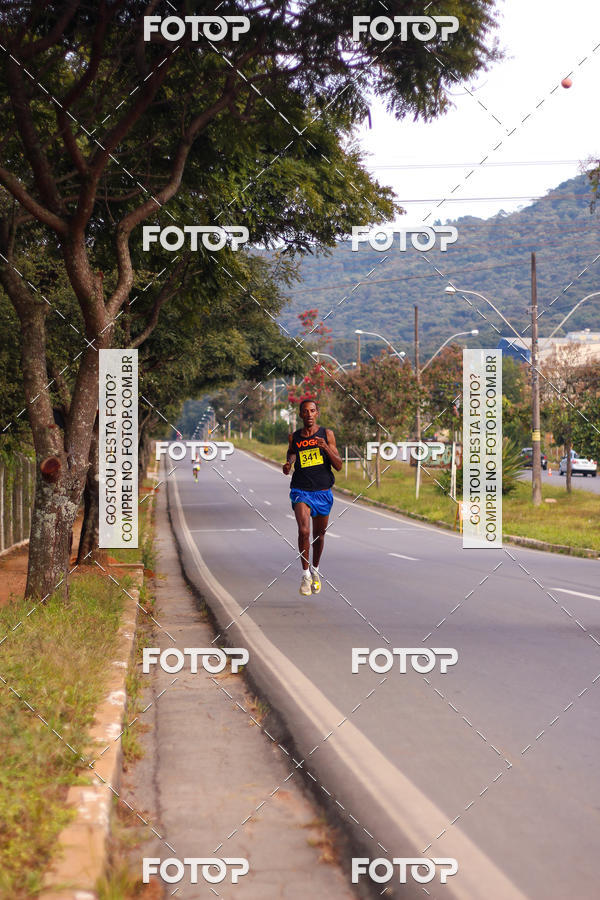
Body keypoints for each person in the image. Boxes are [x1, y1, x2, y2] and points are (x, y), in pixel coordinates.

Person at [282, 399, 342, 595]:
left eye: (312, 411)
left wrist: (325, 447)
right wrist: (289, 463)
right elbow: (292, 452)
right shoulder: (294, 437)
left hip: (323, 491)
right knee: (304, 531)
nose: (309, 414)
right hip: (301, 490)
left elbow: (339, 465)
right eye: (305, 411)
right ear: (300, 414)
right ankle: (305, 575)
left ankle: (315, 570)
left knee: (319, 535)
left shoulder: (327, 434)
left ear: (317, 413)